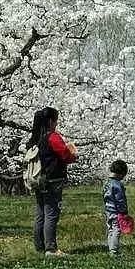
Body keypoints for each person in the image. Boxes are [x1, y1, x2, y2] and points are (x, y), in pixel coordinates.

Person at [29, 106, 77, 258]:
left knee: (40, 213)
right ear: (50, 121)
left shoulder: (34, 139)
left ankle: (39, 246)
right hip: (53, 180)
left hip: (38, 179)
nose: (56, 123)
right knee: (51, 213)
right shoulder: (52, 137)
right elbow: (64, 155)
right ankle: (51, 249)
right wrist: (73, 153)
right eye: (56, 120)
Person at [104, 160, 130, 256]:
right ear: (121, 173)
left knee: (110, 229)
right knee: (117, 229)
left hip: (108, 211)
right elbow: (120, 200)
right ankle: (114, 251)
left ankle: (111, 248)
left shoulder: (107, 183)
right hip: (116, 212)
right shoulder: (117, 185)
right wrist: (123, 211)